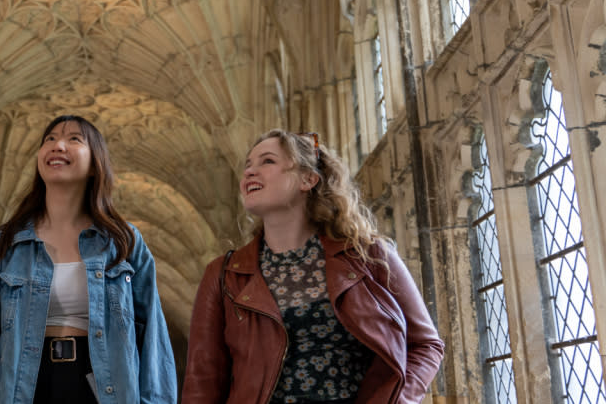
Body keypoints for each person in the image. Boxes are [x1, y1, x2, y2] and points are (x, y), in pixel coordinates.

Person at [182, 130, 444, 404]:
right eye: (248, 165)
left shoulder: (369, 255)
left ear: (308, 179)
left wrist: (396, 402)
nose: (249, 172)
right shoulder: (224, 275)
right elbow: (202, 381)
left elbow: (425, 345)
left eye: (267, 161)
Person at [0, 115, 177, 404]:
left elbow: (153, 344)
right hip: (22, 392)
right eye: (50, 138)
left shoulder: (123, 243)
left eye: (74, 139)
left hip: (100, 391)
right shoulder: (3, 246)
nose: (58, 145)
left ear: (95, 164)